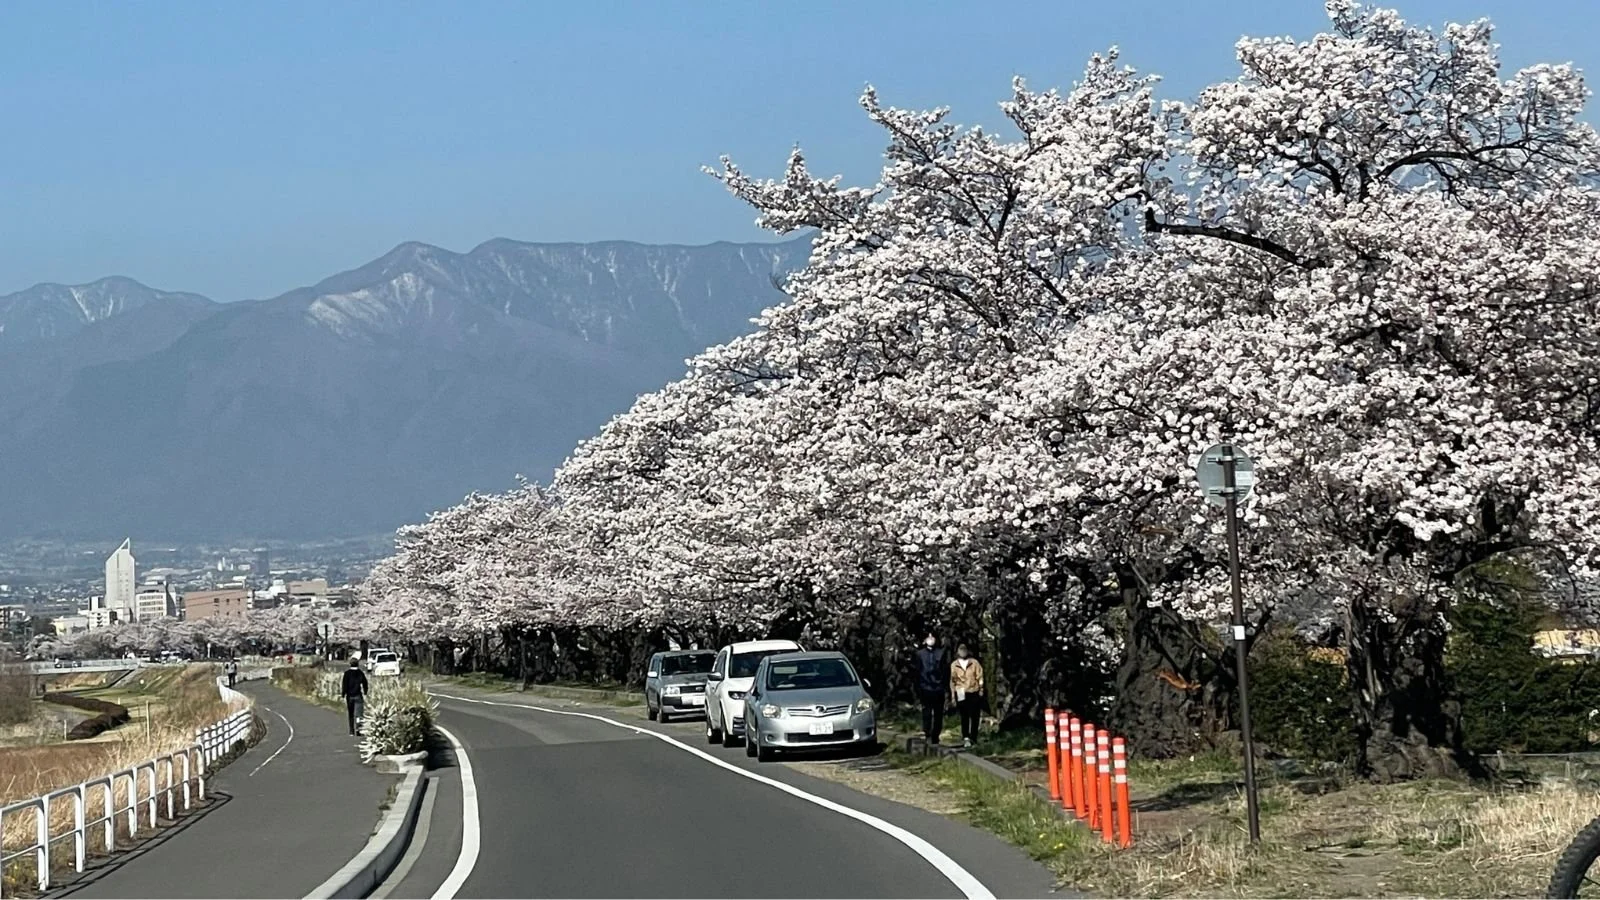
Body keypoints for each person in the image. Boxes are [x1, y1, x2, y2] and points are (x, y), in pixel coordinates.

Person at [914, 632, 949, 746]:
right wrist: (918, 688)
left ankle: (936, 735)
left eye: (932, 636)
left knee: (938, 713)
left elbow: (945, 670)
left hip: (938, 688)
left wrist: (945, 686)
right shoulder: (920, 654)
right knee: (927, 712)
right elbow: (917, 671)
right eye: (928, 636)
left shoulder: (941, 653)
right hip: (925, 687)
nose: (930, 638)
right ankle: (928, 733)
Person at [950, 643, 985, 749]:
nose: (963, 651)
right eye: (960, 649)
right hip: (960, 691)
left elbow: (980, 676)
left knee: (975, 715)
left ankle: (973, 737)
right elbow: (952, 681)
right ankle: (966, 737)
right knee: (964, 715)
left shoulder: (974, 663)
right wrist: (952, 695)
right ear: (957, 651)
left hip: (973, 690)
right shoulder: (954, 664)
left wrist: (981, 688)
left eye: (964, 649)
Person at [342, 657, 369, 736]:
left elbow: (344, 685)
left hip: (349, 696)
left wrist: (343, 694)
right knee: (358, 714)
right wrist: (365, 691)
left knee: (351, 714)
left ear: (350, 664)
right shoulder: (360, 673)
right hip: (358, 695)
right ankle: (358, 729)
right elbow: (365, 683)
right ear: (358, 664)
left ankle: (351, 730)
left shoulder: (347, 673)